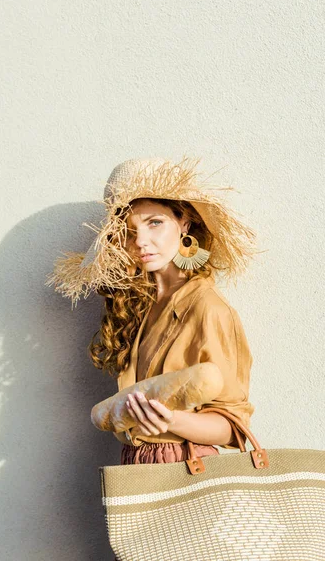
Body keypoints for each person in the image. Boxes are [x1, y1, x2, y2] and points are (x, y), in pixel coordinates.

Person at [46, 156, 259, 557]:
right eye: (129, 231)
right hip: (136, 466)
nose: (141, 241)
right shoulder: (139, 309)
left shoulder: (207, 308)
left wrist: (172, 421)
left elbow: (233, 428)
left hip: (186, 469)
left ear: (185, 223)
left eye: (155, 222)